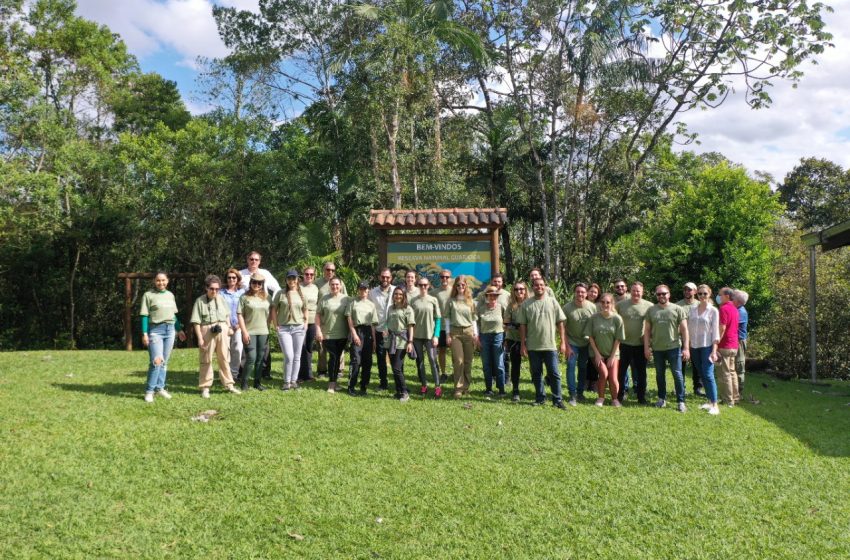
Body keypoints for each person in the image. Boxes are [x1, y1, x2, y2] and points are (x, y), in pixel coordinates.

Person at [518, 277, 567, 409]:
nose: (539, 287)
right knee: (536, 373)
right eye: (536, 285)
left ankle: (557, 400)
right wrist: (523, 344)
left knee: (554, 373)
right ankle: (540, 398)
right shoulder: (526, 304)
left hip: (550, 345)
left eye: (541, 285)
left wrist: (563, 342)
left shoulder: (552, 302)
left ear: (545, 286)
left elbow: (560, 322)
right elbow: (522, 325)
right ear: (532, 287)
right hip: (533, 346)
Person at [190, 274, 242, 398]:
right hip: (207, 329)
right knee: (206, 359)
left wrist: (229, 327)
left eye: (217, 289)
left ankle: (229, 384)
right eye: (212, 289)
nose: (214, 291)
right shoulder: (200, 301)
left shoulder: (221, 298)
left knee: (224, 358)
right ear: (206, 288)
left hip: (222, 329)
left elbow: (227, 315)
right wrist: (200, 338)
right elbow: (196, 322)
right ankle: (205, 387)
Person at [140, 272, 186, 402]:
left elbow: (173, 315)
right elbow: (144, 315)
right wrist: (144, 333)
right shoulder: (148, 295)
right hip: (155, 331)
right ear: (154, 281)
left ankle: (160, 388)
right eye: (158, 280)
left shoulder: (170, 295)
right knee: (157, 361)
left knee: (164, 362)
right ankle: (149, 391)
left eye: (163, 280)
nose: (161, 283)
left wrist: (179, 329)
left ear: (168, 281)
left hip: (170, 330)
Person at [643, 284, 690, 412]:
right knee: (660, 375)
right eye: (659, 294)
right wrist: (646, 348)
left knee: (677, 374)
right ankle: (661, 399)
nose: (661, 296)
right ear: (656, 296)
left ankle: (681, 401)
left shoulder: (678, 309)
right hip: (657, 349)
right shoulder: (651, 310)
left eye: (664, 293)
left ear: (669, 294)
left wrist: (686, 348)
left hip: (674, 347)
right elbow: (647, 331)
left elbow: (685, 330)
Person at [239, 251, 280, 379]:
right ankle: (243, 373)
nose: (254, 262)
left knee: (264, 345)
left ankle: (265, 372)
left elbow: (277, 288)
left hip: (263, 312)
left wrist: (274, 304)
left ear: (260, 261)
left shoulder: (265, 273)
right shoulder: (240, 274)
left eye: (256, 259)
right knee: (247, 344)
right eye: (251, 259)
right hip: (247, 311)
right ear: (247, 259)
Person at [584, 293, 625, 406]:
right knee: (603, 373)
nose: (605, 304)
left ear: (612, 304)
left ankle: (615, 399)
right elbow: (590, 337)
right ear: (600, 304)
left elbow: (618, 339)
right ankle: (600, 398)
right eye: (603, 302)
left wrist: (612, 357)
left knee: (612, 377)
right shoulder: (594, 318)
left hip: (613, 353)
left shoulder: (617, 319)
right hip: (597, 353)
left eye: (608, 302)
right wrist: (597, 354)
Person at [270, 270, 308, 391]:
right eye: (289, 278)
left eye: (294, 278)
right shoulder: (280, 293)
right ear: (286, 280)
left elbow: (305, 309)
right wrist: (276, 325)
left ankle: (294, 381)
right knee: (289, 356)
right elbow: (273, 310)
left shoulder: (302, 294)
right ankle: (286, 381)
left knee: (297, 356)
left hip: (298, 327)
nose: (292, 281)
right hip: (284, 328)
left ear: (297, 280)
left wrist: (305, 323)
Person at [615, 282, 652, 404]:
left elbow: (652, 325)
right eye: (634, 290)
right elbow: (613, 321)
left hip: (640, 345)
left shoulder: (649, 306)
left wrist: (649, 342)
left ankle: (641, 397)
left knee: (641, 373)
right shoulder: (620, 305)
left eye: (638, 291)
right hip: (624, 344)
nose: (636, 293)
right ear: (630, 291)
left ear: (642, 292)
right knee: (621, 372)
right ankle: (620, 395)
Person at [688, 284, 721, 415]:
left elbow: (715, 333)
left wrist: (714, 351)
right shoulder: (693, 309)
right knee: (702, 374)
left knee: (708, 374)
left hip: (707, 346)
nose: (702, 296)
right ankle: (709, 401)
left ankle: (715, 404)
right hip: (694, 346)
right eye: (700, 294)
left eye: (705, 294)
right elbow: (689, 328)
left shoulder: (713, 311)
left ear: (709, 294)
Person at [563, 282, 596, 405]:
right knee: (571, 365)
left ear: (586, 293)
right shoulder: (567, 308)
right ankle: (572, 394)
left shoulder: (592, 307)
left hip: (587, 343)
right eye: (578, 292)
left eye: (582, 292)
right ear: (574, 293)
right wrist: (566, 345)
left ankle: (580, 392)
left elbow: (595, 325)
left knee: (583, 367)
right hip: (572, 342)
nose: (580, 294)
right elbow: (562, 328)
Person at [315, 277, 351, 393]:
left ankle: (334, 382)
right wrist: (318, 331)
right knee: (333, 358)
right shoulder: (324, 299)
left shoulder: (347, 299)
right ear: (329, 286)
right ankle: (331, 384)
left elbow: (351, 316)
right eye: (332, 284)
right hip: (328, 334)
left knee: (336, 358)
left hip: (342, 334)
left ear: (340, 286)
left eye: (337, 284)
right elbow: (318, 316)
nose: (335, 286)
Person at [237, 273, 271, 391]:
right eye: (254, 282)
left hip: (263, 332)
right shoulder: (244, 297)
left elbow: (271, 312)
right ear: (250, 283)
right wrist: (244, 332)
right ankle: (244, 382)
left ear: (262, 284)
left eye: (259, 283)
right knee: (251, 358)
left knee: (261, 358)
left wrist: (269, 325)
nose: (256, 285)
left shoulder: (267, 297)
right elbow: (240, 315)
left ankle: (257, 383)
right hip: (249, 331)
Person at [446, 275, 479, 398]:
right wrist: (448, 334)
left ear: (466, 286)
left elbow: (474, 319)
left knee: (468, 361)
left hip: (469, 332)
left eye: (463, 285)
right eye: (458, 285)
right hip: (455, 333)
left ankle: (466, 387)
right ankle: (458, 388)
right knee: (458, 361)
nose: (461, 287)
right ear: (455, 286)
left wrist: (476, 334)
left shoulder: (471, 301)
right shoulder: (451, 301)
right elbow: (448, 319)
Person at [410, 276, 443, 397]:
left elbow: (438, 319)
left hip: (430, 336)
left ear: (428, 286)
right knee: (420, 361)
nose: (423, 287)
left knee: (433, 361)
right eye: (420, 285)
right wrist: (410, 337)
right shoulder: (413, 301)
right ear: (418, 286)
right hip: (417, 336)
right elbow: (410, 320)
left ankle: (437, 386)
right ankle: (424, 384)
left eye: (425, 285)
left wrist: (436, 335)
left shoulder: (433, 300)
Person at [315, 261, 347, 377]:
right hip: (324, 318)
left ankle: (339, 369)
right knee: (322, 347)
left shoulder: (340, 282)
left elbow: (345, 300)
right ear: (324, 270)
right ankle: (322, 370)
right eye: (328, 270)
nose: (330, 272)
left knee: (340, 347)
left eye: (332, 270)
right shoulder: (317, 283)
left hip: (338, 319)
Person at [346, 281, 378, 395]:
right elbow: (349, 320)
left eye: (365, 289)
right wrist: (354, 334)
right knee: (356, 360)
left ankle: (364, 386)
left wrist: (374, 340)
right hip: (357, 330)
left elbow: (373, 325)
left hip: (368, 332)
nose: (363, 291)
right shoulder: (352, 302)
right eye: (361, 289)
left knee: (367, 361)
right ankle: (351, 386)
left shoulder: (371, 305)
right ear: (358, 290)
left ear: (368, 290)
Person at [384, 286, 414, 401]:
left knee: (396, 367)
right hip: (391, 341)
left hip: (402, 341)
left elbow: (411, 326)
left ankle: (405, 392)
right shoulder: (391, 308)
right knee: (397, 367)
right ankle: (399, 391)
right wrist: (386, 329)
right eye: (396, 294)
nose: (398, 296)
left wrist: (410, 342)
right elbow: (387, 323)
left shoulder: (408, 309)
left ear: (404, 296)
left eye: (400, 294)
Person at [477, 285, 507, 397]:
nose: (493, 297)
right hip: (484, 337)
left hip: (498, 337)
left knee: (499, 364)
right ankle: (488, 388)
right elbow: (476, 323)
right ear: (487, 296)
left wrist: (506, 339)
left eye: (495, 295)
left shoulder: (502, 307)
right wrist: (477, 338)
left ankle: (502, 389)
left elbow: (507, 324)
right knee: (486, 364)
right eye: (490, 295)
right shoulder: (481, 308)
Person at [676, 281, 704, 397]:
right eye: (685, 290)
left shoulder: (700, 304)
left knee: (697, 365)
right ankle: (681, 387)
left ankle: (697, 388)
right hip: (682, 340)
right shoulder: (678, 305)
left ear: (695, 291)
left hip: (697, 340)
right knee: (680, 365)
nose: (687, 292)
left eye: (690, 289)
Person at [369, 268, 395, 390]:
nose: (385, 279)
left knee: (395, 358)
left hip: (394, 331)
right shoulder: (373, 292)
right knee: (380, 359)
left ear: (391, 278)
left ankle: (398, 384)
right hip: (379, 330)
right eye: (383, 277)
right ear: (379, 277)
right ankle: (383, 383)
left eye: (387, 277)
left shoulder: (396, 291)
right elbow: (369, 310)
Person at [716, 287, 740, 406]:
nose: (719, 297)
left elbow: (722, 327)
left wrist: (716, 342)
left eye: (720, 295)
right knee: (732, 371)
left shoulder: (724, 308)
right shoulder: (735, 309)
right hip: (734, 345)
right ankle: (735, 397)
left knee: (724, 373)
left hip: (725, 344)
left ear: (727, 296)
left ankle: (728, 399)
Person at [504, 281, 528, 403]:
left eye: (522, 289)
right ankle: (515, 390)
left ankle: (539, 392)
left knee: (536, 366)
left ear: (525, 290)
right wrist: (519, 326)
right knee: (515, 366)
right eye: (517, 289)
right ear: (513, 291)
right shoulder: (511, 306)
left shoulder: (531, 304)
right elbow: (506, 323)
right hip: (514, 339)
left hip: (531, 339)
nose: (519, 291)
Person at [221, 268, 245, 384]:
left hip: (238, 326)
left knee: (237, 349)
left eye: (234, 277)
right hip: (225, 326)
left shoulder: (243, 293)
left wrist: (239, 325)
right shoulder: (220, 293)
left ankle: (234, 374)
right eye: (229, 277)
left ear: (238, 279)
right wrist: (228, 325)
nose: (231, 279)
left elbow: (245, 310)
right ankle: (225, 375)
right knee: (225, 351)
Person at [430, 269, 453, 382]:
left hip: (453, 327)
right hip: (439, 327)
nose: (444, 279)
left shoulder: (455, 291)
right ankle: (443, 373)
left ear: (450, 278)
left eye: (447, 277)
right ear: (439, 278)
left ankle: (456, 373)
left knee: (455, 351)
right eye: (442, 277)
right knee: (442, 351)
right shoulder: (434, 292)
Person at [298, 266, 319, 382]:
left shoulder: (316, 288)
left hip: (313, 320)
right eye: (307, 274)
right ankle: (300, 375)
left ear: (314, 276)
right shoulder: (298, 287)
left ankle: (309, 374)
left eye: (311, 274)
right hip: (300, 320)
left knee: (309, 348)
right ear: (303, 275)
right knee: (301, 347)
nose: (309, 276)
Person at [584, 282, 602, 392]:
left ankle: (594, 382)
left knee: (594, 361)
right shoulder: (581, 302)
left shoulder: (599, 306)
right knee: (584, 361)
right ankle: (585, 382)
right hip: (582, 338)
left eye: (595, 292)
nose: (593, 294)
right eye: (591, 291)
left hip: (595, 337)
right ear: (587, 292)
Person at [733, 289, 749, 394]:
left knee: (739, 366)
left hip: (739, 342)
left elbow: (732, 325)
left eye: (733, 297)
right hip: (734, 340)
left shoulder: (741, 312)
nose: (731, 298)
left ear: (738, 301)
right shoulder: (736, 309)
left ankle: (739, 392)